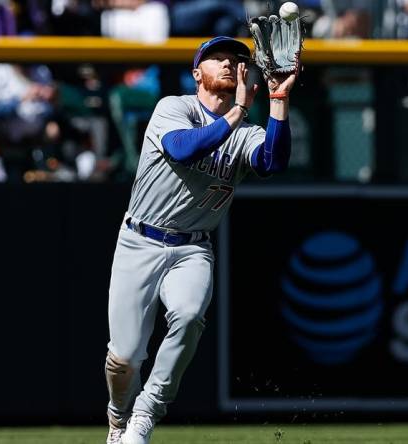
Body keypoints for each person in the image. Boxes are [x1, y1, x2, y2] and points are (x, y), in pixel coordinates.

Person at [104, 36, 296, 444]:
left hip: (192, 248)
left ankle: (146, 413)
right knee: (125, 357)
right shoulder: (174, 108)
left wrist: (278, 100)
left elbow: (272, 161)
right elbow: (183, 149)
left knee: (189, 316)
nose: (229, 65)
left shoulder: (246, 131)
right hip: (140, 239)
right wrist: (241, 109)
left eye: (237, 60)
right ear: (197, 74)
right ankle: (118, 420)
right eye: (218, 59)